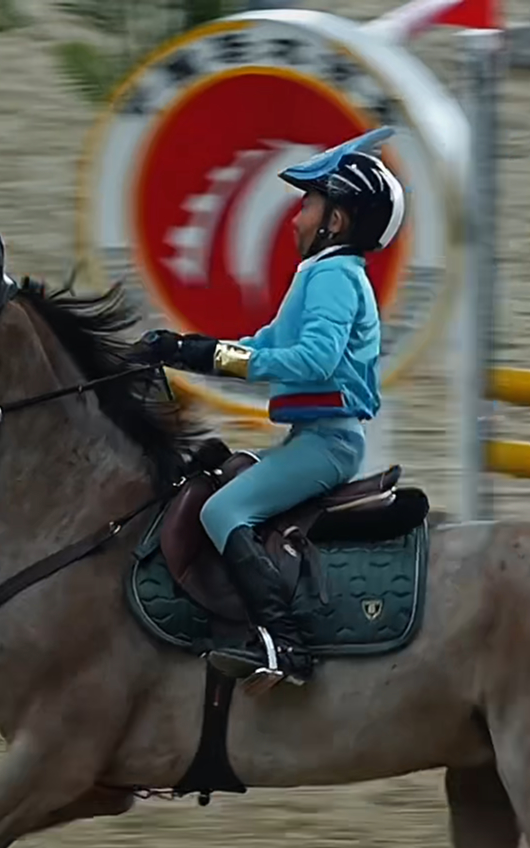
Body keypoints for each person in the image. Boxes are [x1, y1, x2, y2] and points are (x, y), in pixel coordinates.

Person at [141, 126, 406, 689]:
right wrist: (186, 350)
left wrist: (213, 355)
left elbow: (314, 358)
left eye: (307, 205)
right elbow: (260, 345)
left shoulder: (333, 276)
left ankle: (285, 644)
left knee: (221, 512)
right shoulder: (323, 274)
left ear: (336, 221)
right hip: (311, 438)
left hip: (328, 443)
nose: (295, 218)